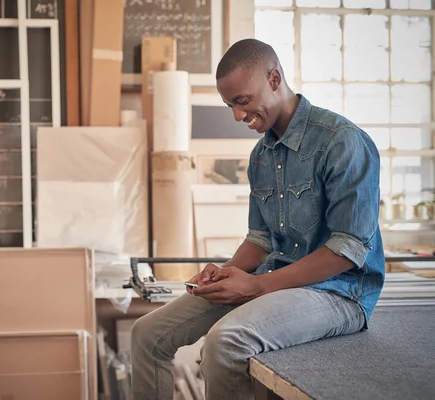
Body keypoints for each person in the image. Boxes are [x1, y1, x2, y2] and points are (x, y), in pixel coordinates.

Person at [130, 38, 385, 400]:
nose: (236, 115)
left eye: (242, 101)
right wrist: (225, 271)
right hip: (277, 279)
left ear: (275, 79)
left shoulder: (342, 142)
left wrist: (259, 286)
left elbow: (347, 250)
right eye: (229, 105)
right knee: (147, 334)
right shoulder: (261, 156)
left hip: (340, 292)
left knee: (226, 340)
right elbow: (260, 239)